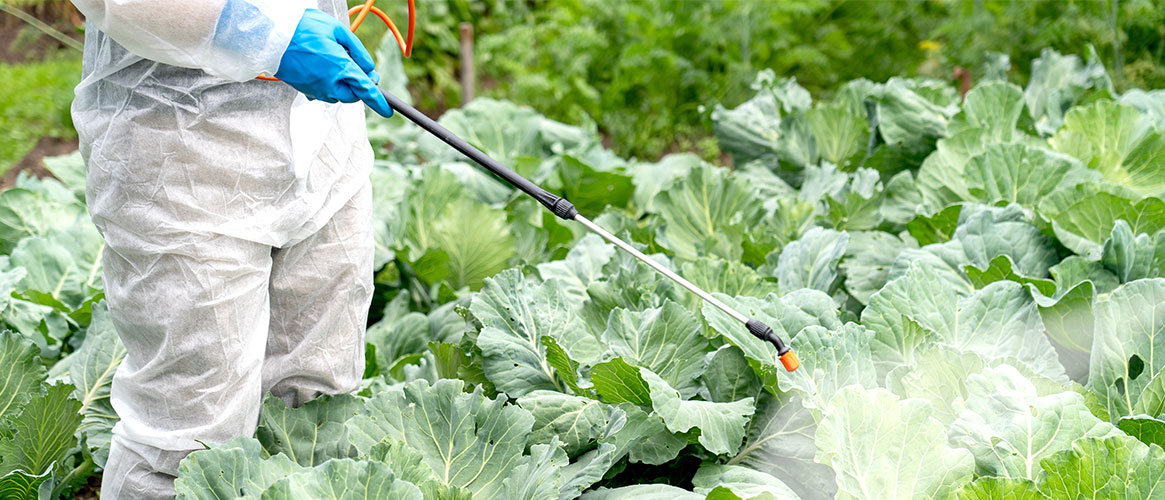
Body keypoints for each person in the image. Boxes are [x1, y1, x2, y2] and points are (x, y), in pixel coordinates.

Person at [68, 1, 393, 498]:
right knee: (188, 442)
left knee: (315, 400)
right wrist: (259, 31)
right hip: (180, 148)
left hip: (325, 137)